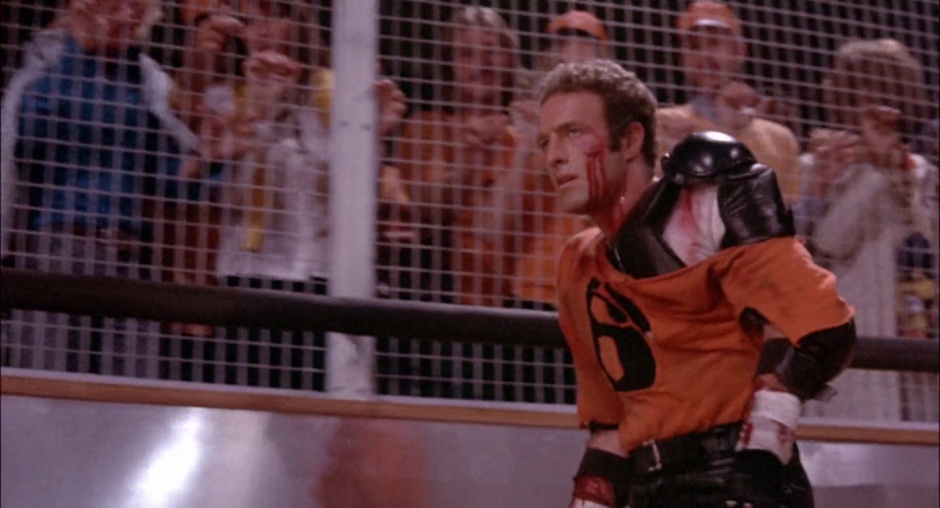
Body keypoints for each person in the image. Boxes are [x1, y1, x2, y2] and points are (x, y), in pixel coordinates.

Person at [537, 59, 856, 507]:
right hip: (648, 487)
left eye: (573, 132)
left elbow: (823, 328)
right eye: (545, 141)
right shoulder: (578, 264)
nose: (554, 155)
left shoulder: (704, 210)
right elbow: (612, 423)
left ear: (630, 140)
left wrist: (760, 457)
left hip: (733, 469)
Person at [0, 0, 197, 376]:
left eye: (134, 7)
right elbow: (29, 140)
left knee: (131, 390)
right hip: (57, 250)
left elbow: (169, 177)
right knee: (48, 383)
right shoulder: (45, 65)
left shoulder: (148, 80)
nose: (124, 15)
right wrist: (79, 49)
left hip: (129, 254)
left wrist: (211, 158)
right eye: (113, 4)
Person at [796, 39, 938, 421]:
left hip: (915, 337)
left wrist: (895, 170)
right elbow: (831, 243)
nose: (874, 103)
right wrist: (874, 173)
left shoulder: (921, 171)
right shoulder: (819, 166)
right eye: (862, 91)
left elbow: (929, 244)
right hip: (853, 340)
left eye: (885, 90)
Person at [657, 0, 802, 202]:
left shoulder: (780, 139)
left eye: (714, 43)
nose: (704, 55)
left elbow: (792, 212)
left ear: (739, 51)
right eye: (694, 46)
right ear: (682, 59)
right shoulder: (662, 124)